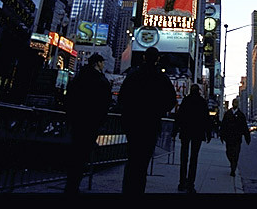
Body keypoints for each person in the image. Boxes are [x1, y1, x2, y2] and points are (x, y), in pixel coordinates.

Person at [118, 46, 177, 193]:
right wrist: (158, 110)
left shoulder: (133, 75)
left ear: (144, 57)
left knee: (132, 160)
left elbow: (122, 98)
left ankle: (127, 192)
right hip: (150, 124)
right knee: (143, 162)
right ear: (157, 59)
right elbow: (171, 100)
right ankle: (137, 192)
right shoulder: (161, 78)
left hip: (133, 123)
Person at [64, 53, 112, 194]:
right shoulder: (100, 80)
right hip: (91, 122)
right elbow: (105, 102)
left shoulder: (79, 78)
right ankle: (74, 185)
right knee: (83, 154)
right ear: (97, 63)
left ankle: (70, 184)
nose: (103, 65)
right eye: (102, 63)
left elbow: (70, 98)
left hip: (77, 120)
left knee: (75, 151)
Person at [173, 84, 211, 193]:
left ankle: (182, 183)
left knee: (183, 158)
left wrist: (175, 131)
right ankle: (190, 184)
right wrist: (208, 134)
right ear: (198, 91)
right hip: (197, 133)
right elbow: (206, 119)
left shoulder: (186, 101)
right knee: (194, 159)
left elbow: (179, 116)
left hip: (186, 132)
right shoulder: (202, 102)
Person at [219, 98, 250, 177]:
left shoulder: (241, 115)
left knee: (236, 154)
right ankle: (232, 162)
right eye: (234, 102)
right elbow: (223, 125)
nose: (235, 104)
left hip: (237, 138)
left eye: (237, 102)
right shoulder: (228, 113)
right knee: (228, 152)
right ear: (232, 104)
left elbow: (245, 127)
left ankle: (233, 168)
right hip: (229, 138)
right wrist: (222, 135)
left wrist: (247, 137)